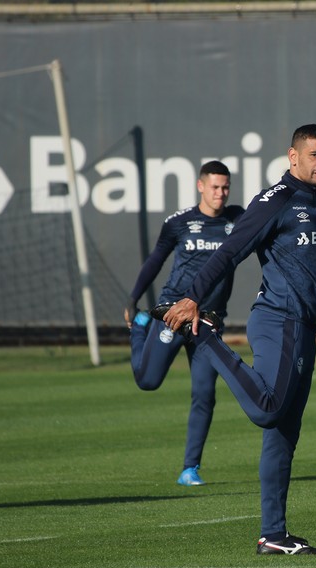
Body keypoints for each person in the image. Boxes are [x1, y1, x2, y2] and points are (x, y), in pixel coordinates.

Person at [156, 124, 316, 556]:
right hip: (279, 319)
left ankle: (273, 535)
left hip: (306, 327)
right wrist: (193, 297)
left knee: (284, 433)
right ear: (293, 157)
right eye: (314, 155)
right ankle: (207, 339)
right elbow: (230, 251)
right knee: (268, 408)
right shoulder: (275, 201)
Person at [124, 161, 244, 487]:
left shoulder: (237, 220)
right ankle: (140, 328)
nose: (221, 193)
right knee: (148, 381)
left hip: (208, 321)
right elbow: (156, 260)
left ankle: (190, 468)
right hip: (173, 314)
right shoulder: (179, 223)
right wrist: (134, 299)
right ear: (200, 186)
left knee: (205, 393)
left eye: (225, 187)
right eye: (215, 187)